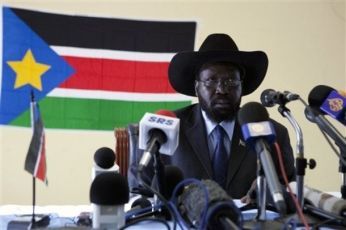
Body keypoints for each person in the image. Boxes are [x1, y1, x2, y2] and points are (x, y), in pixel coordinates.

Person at [129, 33, 295, 203]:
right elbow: (139, 193)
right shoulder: (162, 131)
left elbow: (291, 191)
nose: (221, 90)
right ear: (196, 87)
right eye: (211, 80)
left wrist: (267, 193)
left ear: (241, 87)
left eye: (231, 81)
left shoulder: (273, 134)